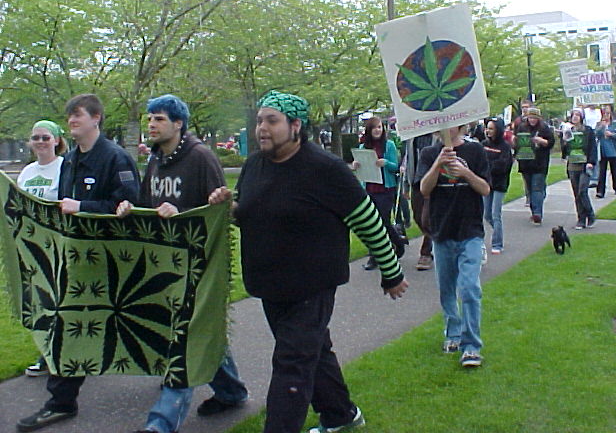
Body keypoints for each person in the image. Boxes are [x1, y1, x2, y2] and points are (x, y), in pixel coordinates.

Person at [208, 90, 408, 433]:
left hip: (311, 285)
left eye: (272, 121)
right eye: (259, 121)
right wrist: (229, 207)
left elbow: (369, 222)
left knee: (291, 364)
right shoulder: (256, 164)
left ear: (296, 125)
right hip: (270, 284)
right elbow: (248, 212)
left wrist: (391, 273)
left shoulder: (325, 169)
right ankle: (341, 415)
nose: (262, 129)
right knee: (313, 353)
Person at [116, 94, 248, 433]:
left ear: (178, 123)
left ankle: (160, 425)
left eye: (158, 119)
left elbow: (221, 212)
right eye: (149, 119)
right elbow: (148, 204)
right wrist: (132, 210)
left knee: (185, 340)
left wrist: (183, 215)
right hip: (165, 265)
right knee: (198, 333)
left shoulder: (201, 158)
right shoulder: (156, 160)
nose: (151, 124)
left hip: (198, 265)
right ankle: (231, 390)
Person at [17, 94, 141, 433]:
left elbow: (130, 207)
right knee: (68, 327)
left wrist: (84, 207)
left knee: (140, 322)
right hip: (74, 260)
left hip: (108, 261)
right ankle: (61, 402)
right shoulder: (69, 160)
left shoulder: (116, 159)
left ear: (96, 118)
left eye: (78, 115)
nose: (72, 121)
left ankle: (204, 380)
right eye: (69, 116)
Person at [418, 124, 490, 367]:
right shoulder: (429, 153)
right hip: (442, 231)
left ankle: (471, 347)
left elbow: (485, 188)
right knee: (446, 290)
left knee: (469, 288)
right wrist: (438, 164)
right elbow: (424, 189)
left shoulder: (475, 151)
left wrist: (465, 173)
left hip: (470, 230)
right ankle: (453, 333)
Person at [17, 120, 67, 378]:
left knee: (58, 301)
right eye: (35, 137)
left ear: (57, 140)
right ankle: (46, 352)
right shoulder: (27, 172)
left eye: (45, 137)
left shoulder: (65, 168)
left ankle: (56, 354)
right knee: (39, 301)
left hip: (58, 246)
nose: (40, 142)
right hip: (32, 246)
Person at [353, 116, 405, 270]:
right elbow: (361, 170)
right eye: (375, 127)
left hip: (385, 189)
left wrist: (385, 163)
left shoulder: (388, 145)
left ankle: (397, 243)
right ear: (369, 130)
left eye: (380, 127)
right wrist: (355, 165)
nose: (377, 130)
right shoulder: (363, 148)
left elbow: (395, 167)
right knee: (371, 224)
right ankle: (374, 257)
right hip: (369, 189)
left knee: (383, 221)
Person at [514, 107, 555, 225]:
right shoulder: (522, 127)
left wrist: (543, 141)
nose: (532, 120)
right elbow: (518, 143)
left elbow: (551, 142)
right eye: (530, 117)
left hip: (539, 162)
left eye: (534, 118)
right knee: (530, 188)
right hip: (526, 162)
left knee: (536, 187)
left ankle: (537, 213)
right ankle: (534, 209)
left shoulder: (544, 129)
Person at [403, 133, 435, 270]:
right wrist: (406, 184)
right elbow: (408, 159)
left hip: (433, 182)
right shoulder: (412, 137)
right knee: (417, 216)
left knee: (427, 219)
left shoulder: (437, 137)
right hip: (416, 181)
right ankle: (436, 238)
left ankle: (426, 253)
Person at [561, 109, 597, 229]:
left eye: (578, 115)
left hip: (584, 164)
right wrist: (564, 142)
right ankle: (581, 219)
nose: (575, 117)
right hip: (573, 164)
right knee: (576, 193)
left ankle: (590, 215)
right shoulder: (568, 130)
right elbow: (565, 150)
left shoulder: (588, 131)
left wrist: (591, 162)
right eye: (573, 115)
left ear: (581, 117)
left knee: (582, 191)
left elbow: (592, 147)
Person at [481, 118, 513, 254]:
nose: (488, 131)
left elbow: (503, 166)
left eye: (491, 128)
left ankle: (497, 243)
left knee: (495, 214)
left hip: (499, 184)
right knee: (487, 214)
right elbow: (480, 162)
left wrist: (488, 166)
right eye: (487, 128)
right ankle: (498, 232)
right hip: (486, 184)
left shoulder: (505, 147)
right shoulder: (483, 144)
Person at [595, 107, 616, 198]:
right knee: (602, 172)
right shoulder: (599, 124)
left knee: (614, 171)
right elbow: (596, 134)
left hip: (613, 151)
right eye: (604, 114)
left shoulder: (615, 124)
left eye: (608, 114)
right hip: (602, 151)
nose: (606, 116)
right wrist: (602, 127)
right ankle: (600, 191)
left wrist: (612, 134)